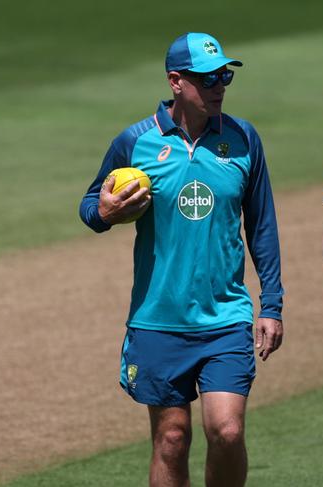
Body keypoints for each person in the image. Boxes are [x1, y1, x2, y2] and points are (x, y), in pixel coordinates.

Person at [79, 32, 284, 487]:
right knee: (171, 437)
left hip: (225, 317)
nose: (220, 85)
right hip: (158, 318)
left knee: (227, 431)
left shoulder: (243, 139)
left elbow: (262, 226)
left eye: (225, 75)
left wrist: (272, 304)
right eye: (207, 77)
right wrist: (105, 213)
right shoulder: (135, 142)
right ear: (176, 81)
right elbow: (90, 206)